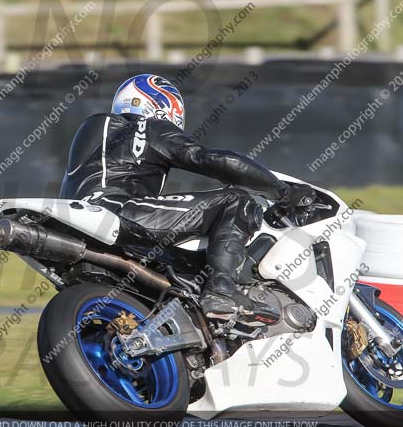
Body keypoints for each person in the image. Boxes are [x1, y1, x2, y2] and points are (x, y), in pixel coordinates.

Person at [59, 74, 315, 327]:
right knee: (236, 200)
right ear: (161, 105)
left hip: (80, 223)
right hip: (119, 211)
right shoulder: (146, 127)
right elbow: (208, 158)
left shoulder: (91, 129)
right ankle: (222, 289)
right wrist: (282, 191)